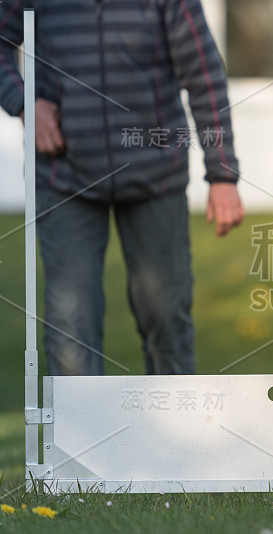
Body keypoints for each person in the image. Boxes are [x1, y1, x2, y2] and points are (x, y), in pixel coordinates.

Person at [0, 0, 244, 375]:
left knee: (166, 318)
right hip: (63, 178)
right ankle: (79, 436)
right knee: (70, 326)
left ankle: (176, 433)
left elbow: (204, 75)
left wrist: (223, 175)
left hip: (156, 178)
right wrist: (23, 103)